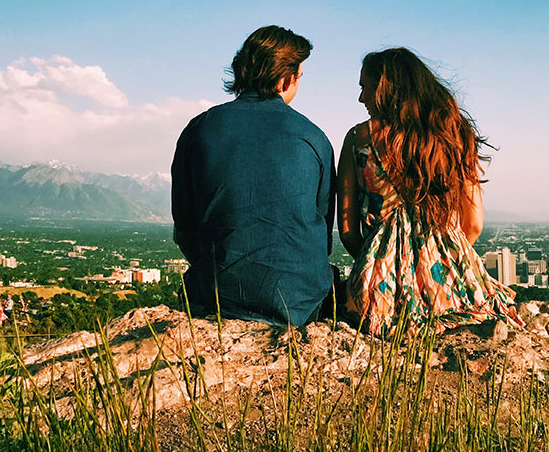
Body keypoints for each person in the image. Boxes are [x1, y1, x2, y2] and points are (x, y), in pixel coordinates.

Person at [337, 48, 524, 336]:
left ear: (386, 86)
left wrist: (376, 263)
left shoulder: (357, 139)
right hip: (454, 281)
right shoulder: (453, 133)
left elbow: (348, 231)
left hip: (380, 290)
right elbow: (473, 225)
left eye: (365, 86)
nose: (361, 98)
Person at [172, 25, 335, 327]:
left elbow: (185, 229)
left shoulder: (200, 129)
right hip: (299, 305)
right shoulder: (314, 138)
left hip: (218, 297)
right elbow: (321, 234)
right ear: (287, 79)